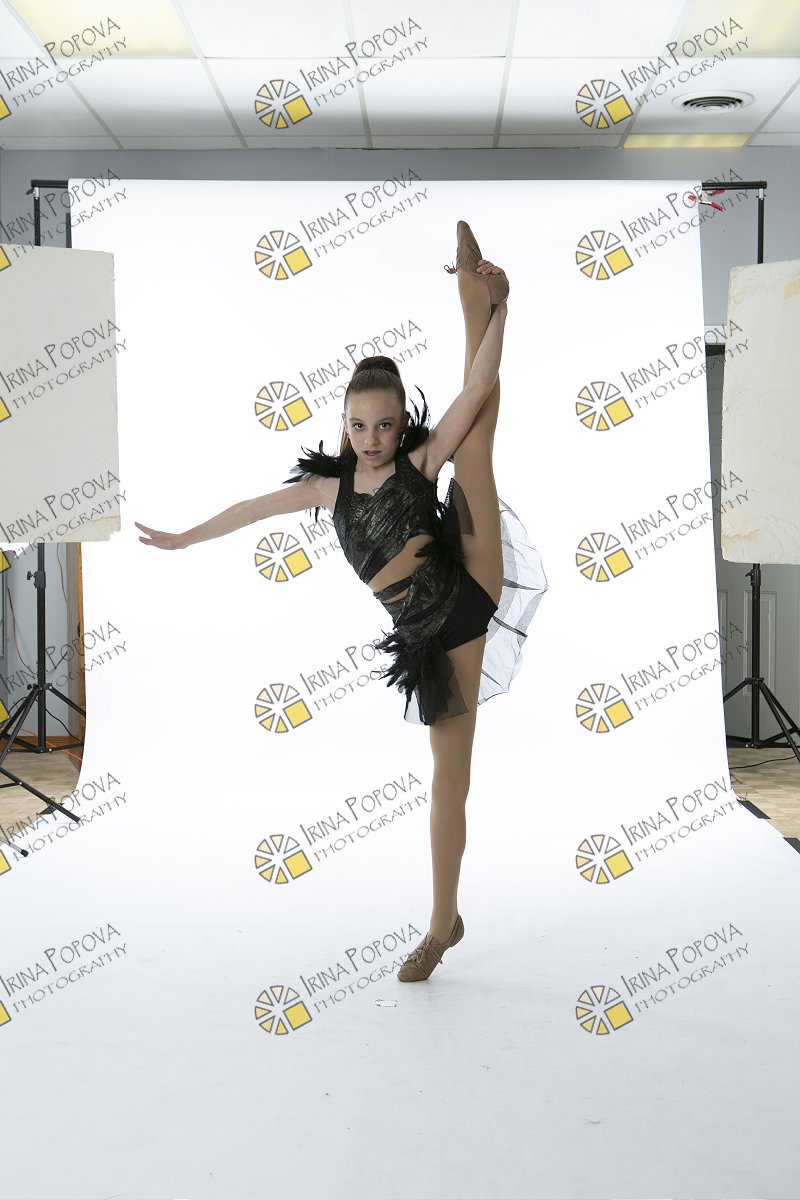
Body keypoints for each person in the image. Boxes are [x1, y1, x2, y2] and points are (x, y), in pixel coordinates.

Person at [136, 221, 547, 983]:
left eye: (385, 425)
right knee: (447, 776)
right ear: (344, 425)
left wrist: (509, 313)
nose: (372, 438)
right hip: (427, 636)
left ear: (402, 424)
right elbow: (252, 509)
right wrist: (186, 539)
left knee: (476, 443)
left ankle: (486, 300)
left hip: (471, 586)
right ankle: (451, 918)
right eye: (359, 426)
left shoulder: (420, 461)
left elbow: (475, 391)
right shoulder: (328, 490)